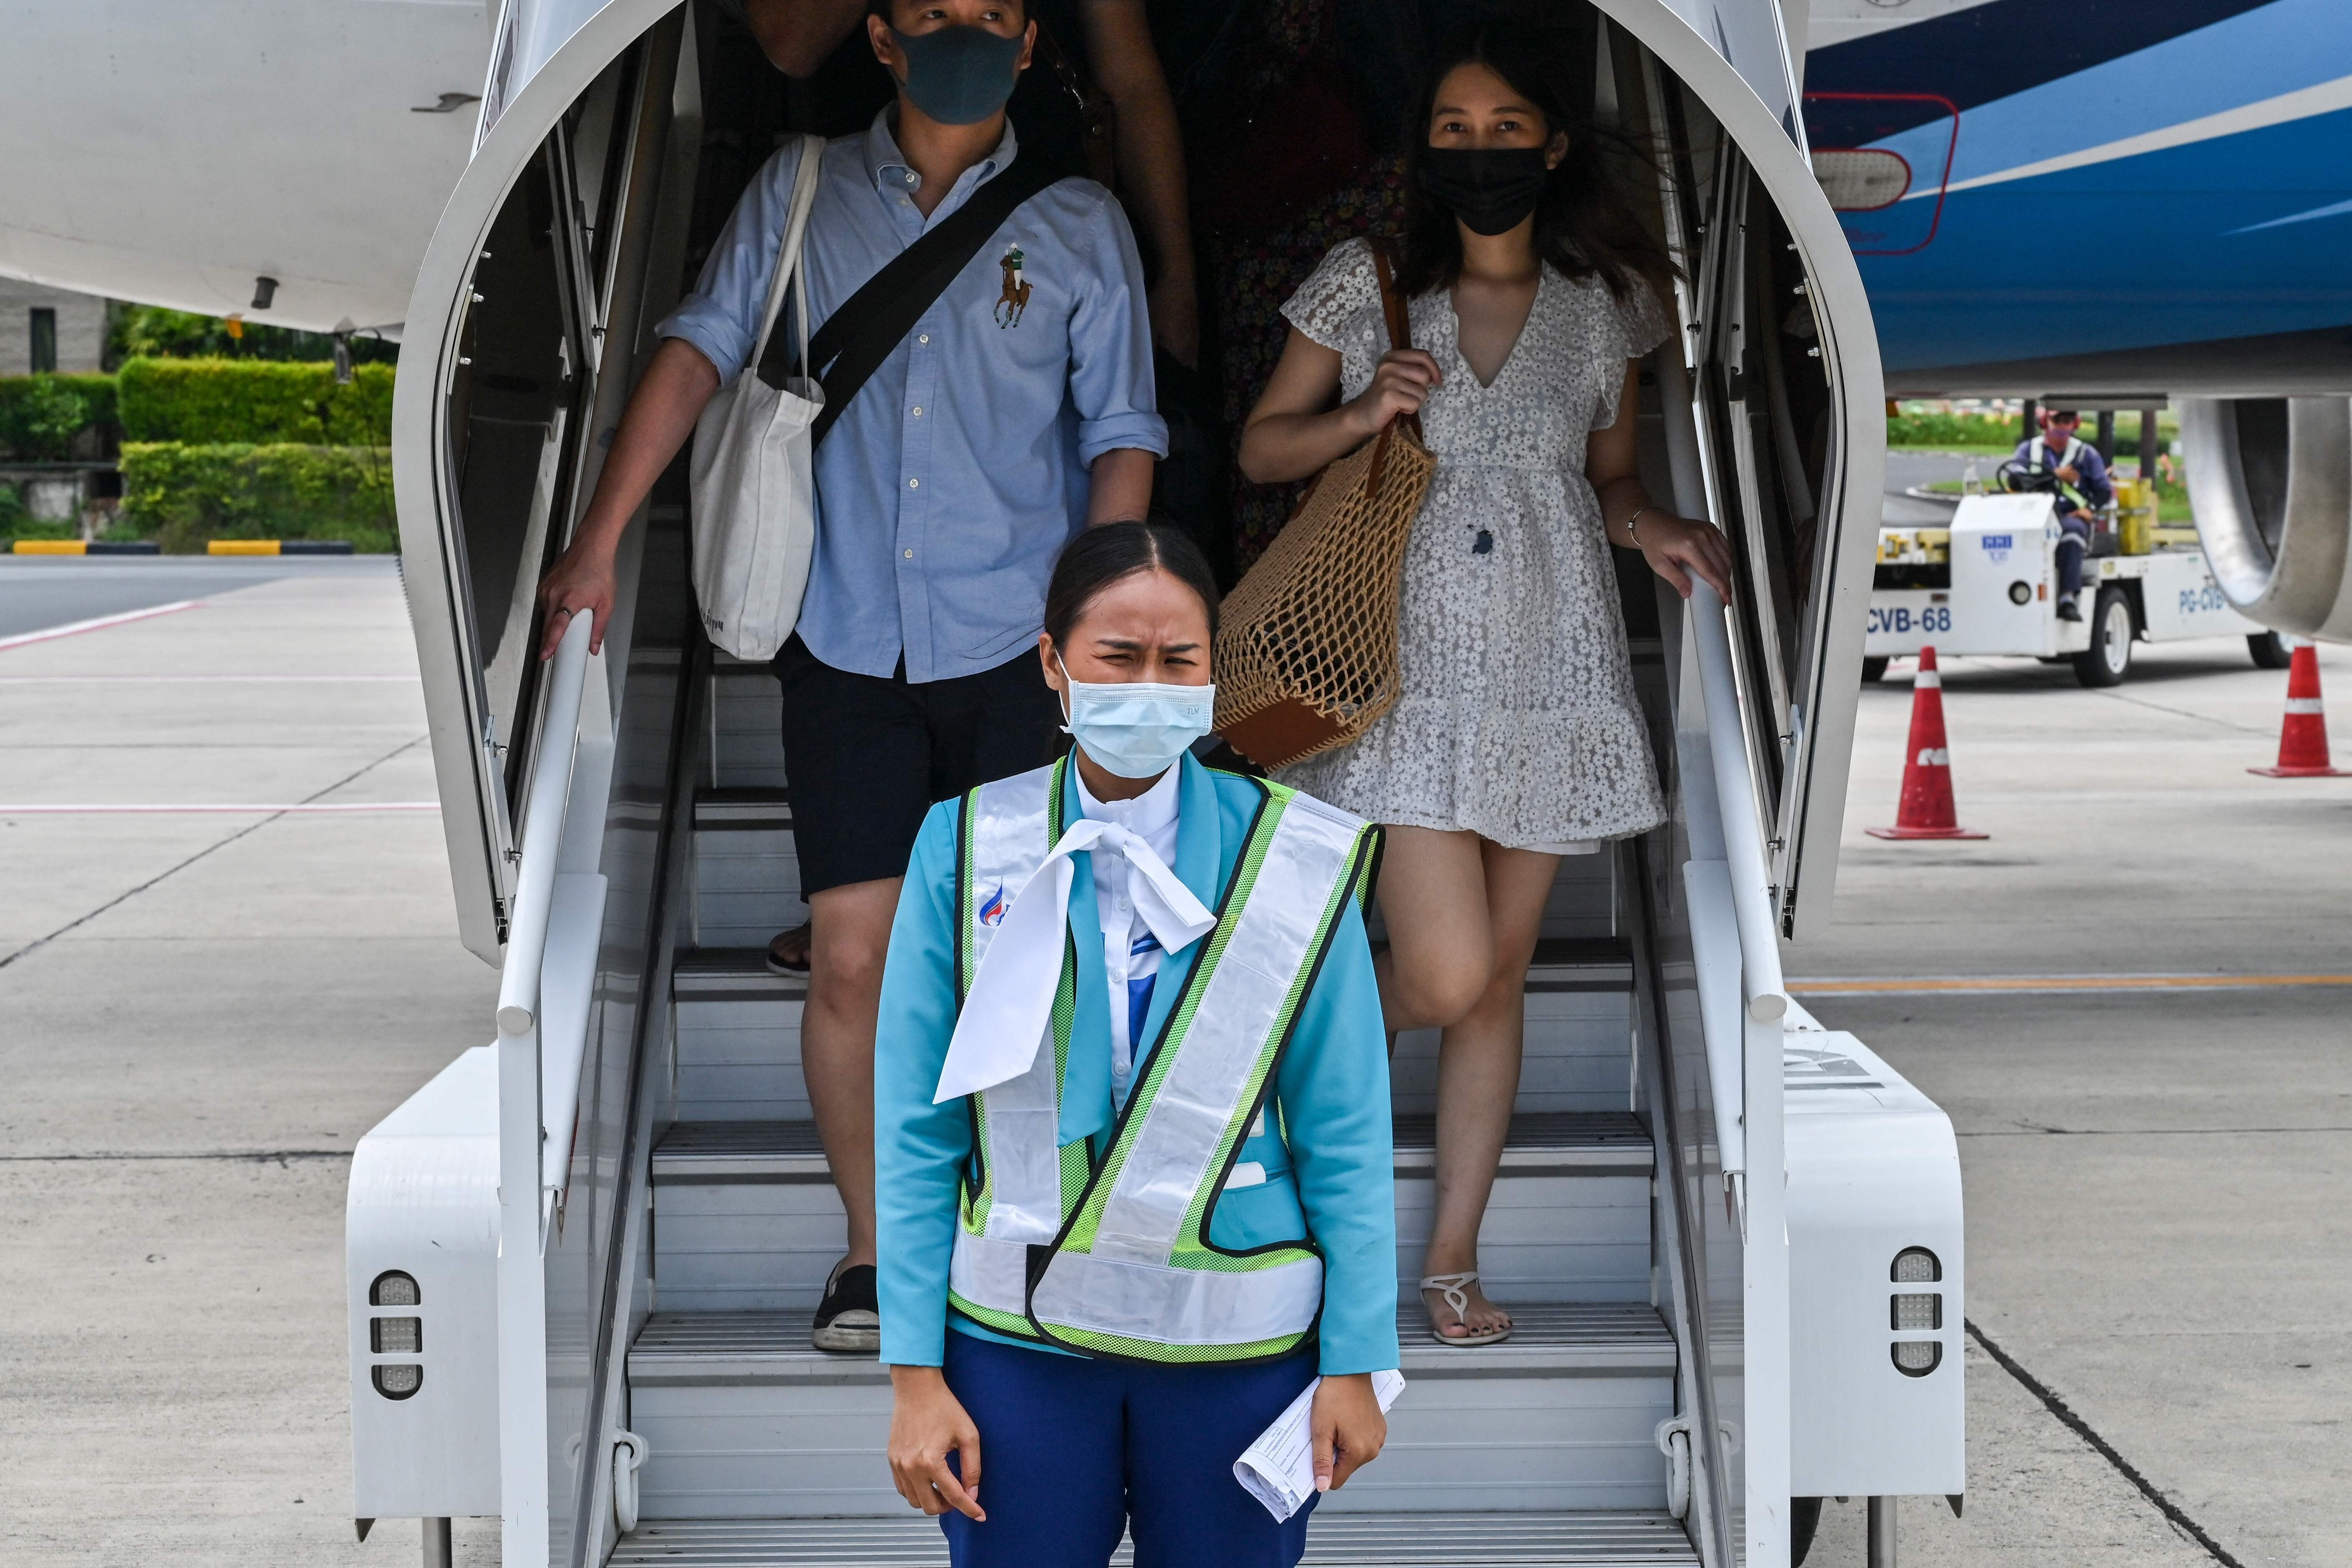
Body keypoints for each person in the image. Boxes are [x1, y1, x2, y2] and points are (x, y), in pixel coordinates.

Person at [534, 0, 1166, 1352]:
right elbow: (697, 349)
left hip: (1017, 645)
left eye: (992, 13)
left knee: (1028, 953)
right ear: (879, 39)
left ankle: (1024, 1233)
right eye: (936, 11)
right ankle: (877, 1254)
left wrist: (1110, 620)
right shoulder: (802, 189)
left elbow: (1120, 429)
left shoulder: (1076, 228)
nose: (964, 31)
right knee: (851, 959)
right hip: (845, 640)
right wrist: (595, 543)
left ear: (1028, 42)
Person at [1234, 22, 1734, 1347]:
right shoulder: (1368, 286)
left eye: (1503, 129)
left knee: (1498, 982)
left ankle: (1449, 1258)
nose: (1476, 151)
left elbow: (1609, 480)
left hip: (1552, 660)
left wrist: (1662, 528)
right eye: (1451, 130)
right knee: (1448, 971)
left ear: (1553, 144)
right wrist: (1359, 412)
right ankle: (1260, 1069)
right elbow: (1259, 449)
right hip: (1404, 672)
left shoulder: (1605, 307)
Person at [875, 522, 1397, 1566]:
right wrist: (912, 1373)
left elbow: (1346, 1122)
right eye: (1118, 657)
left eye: (1179, 660)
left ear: (1215, 672)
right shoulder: (968, 837)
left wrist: (1356, 1356)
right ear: (1052, 663)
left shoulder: (1289, 851)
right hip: (1015, 1339)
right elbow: (915, 1124)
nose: (1149, 686)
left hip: (1235, 1335)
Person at [2009, 408, 2113, 622]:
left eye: (2068, 421)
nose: (2063, 426)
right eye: (2058, 420)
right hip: (2032, 516)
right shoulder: (2029, 450)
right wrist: (2055, 475)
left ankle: (2067, 599)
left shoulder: (2086, 454)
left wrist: (2090, 509)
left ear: (2075, 424)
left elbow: (2104, 490)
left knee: (2072, 533)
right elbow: (2015, 481)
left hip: (2068, 517)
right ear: (2046, 422)